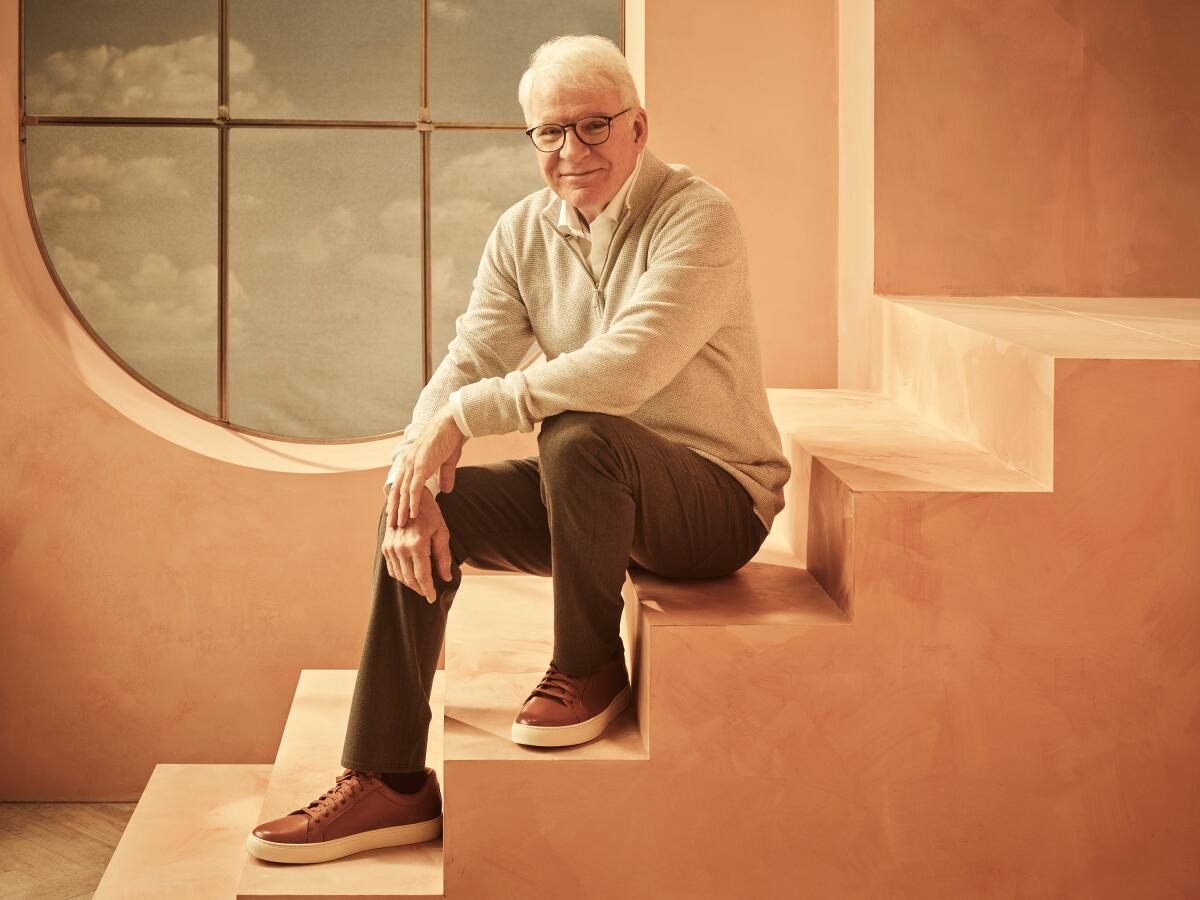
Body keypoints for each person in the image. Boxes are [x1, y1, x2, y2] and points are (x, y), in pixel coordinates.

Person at [245, 33, 790, 865]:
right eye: (549, 132)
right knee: (433, 503)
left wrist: (466, 415)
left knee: (576, 429)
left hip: (713, 502)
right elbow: (472, 356)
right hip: (595, 491)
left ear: (638, 127)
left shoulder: (699, 218)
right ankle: (389, 779)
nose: (572, 151)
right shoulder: (522, 232)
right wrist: (413, 473)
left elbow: (627, 367)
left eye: (594, 126)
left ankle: (589, 666)